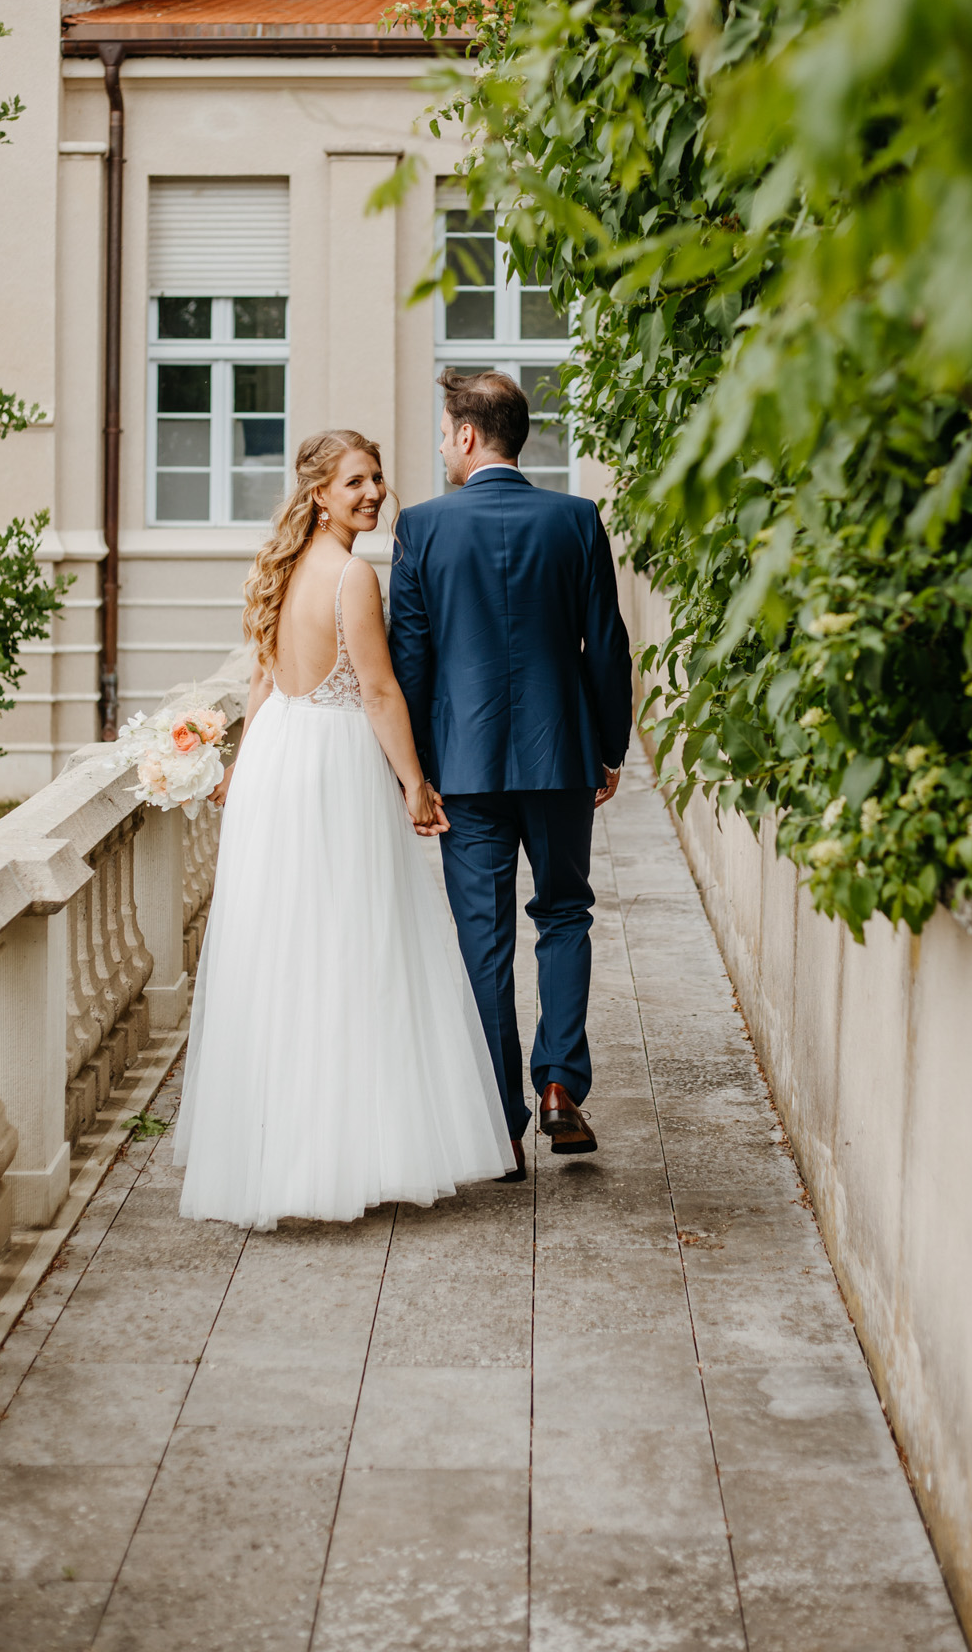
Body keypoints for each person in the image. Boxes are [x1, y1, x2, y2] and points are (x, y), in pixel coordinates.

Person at [173, 430, 514, 1228]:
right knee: (351, 947)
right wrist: (416, 785)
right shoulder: (354, 576)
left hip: (277, 763)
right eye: (356, 482)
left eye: (378, 478)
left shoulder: (282, 568)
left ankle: (284, 1156)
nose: (374, 492)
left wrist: (241, 768)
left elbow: (262, 681)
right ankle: (343, 1156)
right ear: (320, 494)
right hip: (331, 769)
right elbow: (380, 694)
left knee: (285, 954)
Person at [390, 369, 634, 1181]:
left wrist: (415, 771)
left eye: (443, 432)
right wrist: (609, 747)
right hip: (559, 757)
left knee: (481, 938)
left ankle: (498, 1121)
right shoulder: (575, 520)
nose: (439, 446)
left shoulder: (421, 528)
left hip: (464, 768)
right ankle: (561, 1083)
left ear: (466, 436)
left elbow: (410, 662)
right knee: (565, 913)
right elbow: (607, 645)